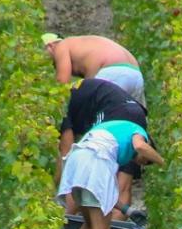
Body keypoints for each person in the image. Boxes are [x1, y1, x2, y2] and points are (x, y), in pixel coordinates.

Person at [59, 119, 163, 229]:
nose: (140, 164)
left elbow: (103, 193)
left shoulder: (112, 135)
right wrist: (164, 163)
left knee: (89, 225)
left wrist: (127, 211)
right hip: (94, 163)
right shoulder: (139, 133)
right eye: (145, 162)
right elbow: (141, 147)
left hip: (78, 161)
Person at [55, 78, 147, 219]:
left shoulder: (59, 106)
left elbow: (66, 156)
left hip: (114, 113)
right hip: (135, 112)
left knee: (80, 175)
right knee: (121, 185)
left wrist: (57, 191)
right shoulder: (77, 96)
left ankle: (67, 226)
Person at [42, 33, 146, 104]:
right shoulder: (83, 44)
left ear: (50, 46)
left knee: (98, 117)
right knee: (130, 118)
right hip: (136, 75)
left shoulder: (61, 46)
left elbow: (62, 84)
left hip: (112, 72)